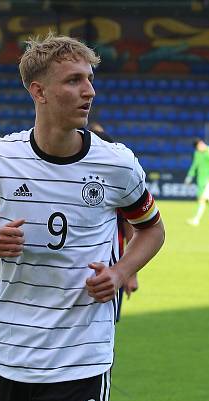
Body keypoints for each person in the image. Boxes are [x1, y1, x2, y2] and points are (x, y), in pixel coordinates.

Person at [0, 34, 165, 401]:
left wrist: (121, 271)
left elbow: (152, 228)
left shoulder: (116, 165)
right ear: (39, 90)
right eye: (73, 80)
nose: (89, 91)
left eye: (90, 79)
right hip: (10, 351)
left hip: (79, 355)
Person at [88, 122, 139, 320]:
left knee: (103, 332)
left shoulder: (114, 185)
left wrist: (129, 273)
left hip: (107, 271)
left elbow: (132, 229)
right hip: (66, 272)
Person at [184, 138, 209, 226]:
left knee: (201, 199)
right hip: (201, 180)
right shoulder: (197, 153)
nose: (199, 149)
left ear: (201, 144)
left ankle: (196, 219)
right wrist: (190, 176)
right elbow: (195, 165)